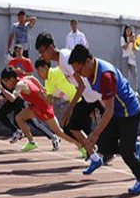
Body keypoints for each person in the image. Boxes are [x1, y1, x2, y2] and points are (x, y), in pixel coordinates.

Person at [69, 45, 140, 194]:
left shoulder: (105, 75)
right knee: (102, 146)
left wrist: (96, 132)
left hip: (129, 112)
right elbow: (106, 103)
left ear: (87, 61)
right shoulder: (90, 72)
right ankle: (131, 146)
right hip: (115, 111)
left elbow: (109, 109)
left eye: (79, 71)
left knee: (126, 154)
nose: (80, 75)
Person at [35, 31, 107, 162]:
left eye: (42, 51)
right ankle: (94, 156)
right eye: (39, 52)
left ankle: (129, 147)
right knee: (71, 127)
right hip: (88, 97)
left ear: (51, 47)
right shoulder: (61, 64)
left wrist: (70, 108)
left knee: (108, 127)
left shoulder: (66, 58)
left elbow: (82, 85)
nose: (41, 55)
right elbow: (76, 85)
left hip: (96, 96)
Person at [0, 67, 83, 153]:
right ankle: (32, 142)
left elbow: (13, 98)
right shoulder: (24, 78)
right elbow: (32, 78)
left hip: (43, 108)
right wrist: (41, 88)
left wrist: (0, 87)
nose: (5, 84)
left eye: (6, 81)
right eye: (3, 82)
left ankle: (80, 145)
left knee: (59, 132)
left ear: (12, 79)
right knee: (19, 118)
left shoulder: (19, 85)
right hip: (35, 107)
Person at [120, 25, 138, 91]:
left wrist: (133, 41)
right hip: (125, 57)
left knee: (134, 74)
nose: (128, 31)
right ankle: (125, 90)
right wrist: (129, 41)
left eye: (130, 30)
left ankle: (135, 90)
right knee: (125, 75)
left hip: (132, 57)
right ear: (125, 31)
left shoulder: (133, 38)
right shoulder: (122, 38)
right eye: (127, 30)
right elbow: (124, 48)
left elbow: (134, 49)